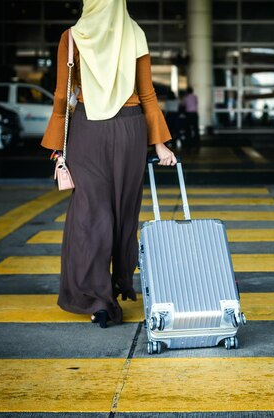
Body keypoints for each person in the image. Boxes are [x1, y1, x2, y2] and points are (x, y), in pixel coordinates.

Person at [40, 0, 176, 328]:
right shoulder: (135, 34)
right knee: (122, 212)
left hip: (87, 130)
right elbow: (147, 94)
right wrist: (160, 145)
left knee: (91, 213)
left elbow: (62, 95)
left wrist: (58, 146)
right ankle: (115, 286)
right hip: (130, 130)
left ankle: (97, 299)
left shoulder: (72, 37)